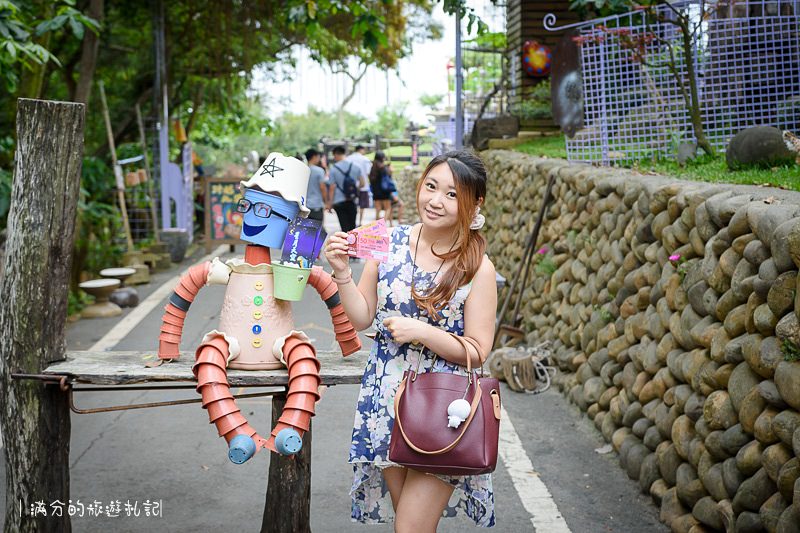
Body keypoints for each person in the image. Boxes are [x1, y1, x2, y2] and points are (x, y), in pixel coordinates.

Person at [324, 150, 497, 530]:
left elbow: (478, 350)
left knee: (410, 527)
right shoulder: (385, 240)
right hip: (386, 401)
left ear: (475, 203)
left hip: (443, 409)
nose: (436, 200)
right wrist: (341, 273)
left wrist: (424, 332)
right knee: (411, 525)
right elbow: (362, 317)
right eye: (431, 186)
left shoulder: (477, 267)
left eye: (452, 194)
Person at [326, 145, 359, 232]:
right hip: (352, 199)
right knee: (352, 227)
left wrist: (329, 203)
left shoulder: (334, 169)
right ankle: (353, 240)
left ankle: (346, 240)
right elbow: (362, 183)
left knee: (344, 227)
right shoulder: (355, 166)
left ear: (336, 154)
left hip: (339, 201)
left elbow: (332, 187)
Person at [346, 144, 373, 225]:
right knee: (362, 205)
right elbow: (368, 172)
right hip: (363, 185)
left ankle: (352, 221)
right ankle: (360, 222)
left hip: (350, 186)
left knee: (351, 204)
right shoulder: (365, 159)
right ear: (362, 150)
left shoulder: (348, 158)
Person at [369, 151, 394, 225]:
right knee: (388, 208)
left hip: (376, 191)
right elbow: (388, 178)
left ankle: (377, 225)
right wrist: (390, 170)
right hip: (385, 191)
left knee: (378, 209)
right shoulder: (383, 168)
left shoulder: (373, 168)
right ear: (382, 158)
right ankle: (383, 224)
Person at [304, 148, 328, 221]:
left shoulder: (302, 170)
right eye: (318, 157)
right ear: (314, 157)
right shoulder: (319, 171)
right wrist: (326, 202)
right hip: (316, 205)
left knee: (305, 227)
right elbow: (322, 187)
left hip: (303, 206)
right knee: (317, 226)